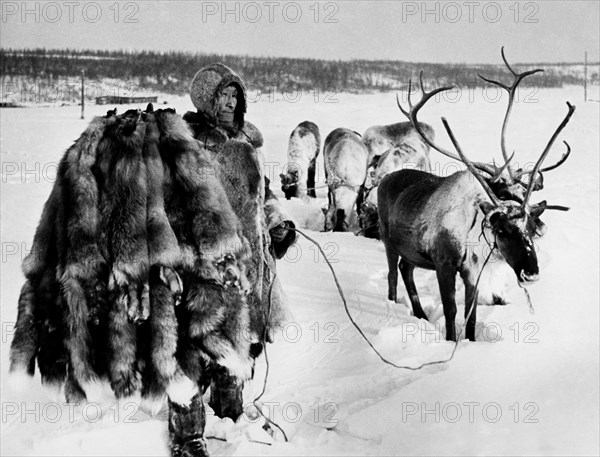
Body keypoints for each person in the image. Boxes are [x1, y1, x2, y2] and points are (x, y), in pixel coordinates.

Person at [181, 63, 296, 426]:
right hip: (210, 257)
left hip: (251, 258)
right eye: (222, 95)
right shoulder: (188, 142)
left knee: (243, 334)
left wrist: (277, 224)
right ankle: (192, 425)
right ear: (205, 98)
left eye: (235, 95)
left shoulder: (246, 139)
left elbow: (262, 192)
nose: (230, 102)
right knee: (203, 338)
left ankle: (230, 416)